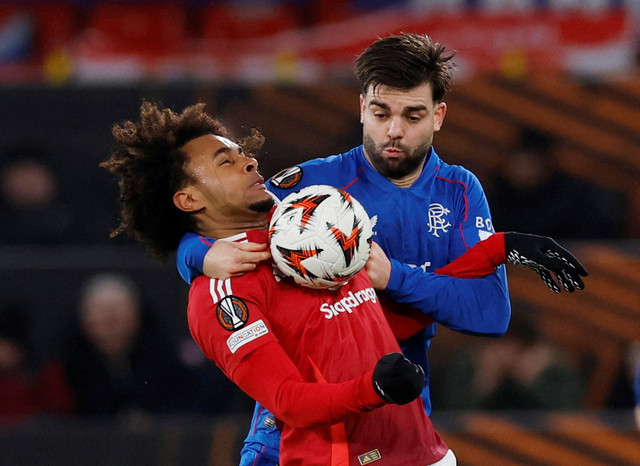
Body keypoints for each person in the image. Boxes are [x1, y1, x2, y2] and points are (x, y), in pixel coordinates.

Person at [175, 32, 587, 465]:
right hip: (301, 429)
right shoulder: (312, 188)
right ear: (361, 109)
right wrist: (196, 252)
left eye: (413, 115)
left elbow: (488, 313)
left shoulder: (460, 191)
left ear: (438, 115)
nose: (394, 130)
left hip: (402, 417)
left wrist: (394, 277)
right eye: (380, 112)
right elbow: (217, 215)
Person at [100, 100, 488, 464]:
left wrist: (496, 251)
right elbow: (287, 399)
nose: (250, 162)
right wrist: (376, 388)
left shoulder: (313, 223)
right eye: (225, 162)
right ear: (188, 200)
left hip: (428, 454)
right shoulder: (222, 292)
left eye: (242, 153)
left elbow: (362, 322)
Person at [60, 273, 196, 420]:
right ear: (84, 320)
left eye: (118, 315)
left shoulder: (164, 362)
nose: (111, 326)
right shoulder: (66, 368)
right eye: (102, 317)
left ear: (137, 316)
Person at [487, 126, 628, 240]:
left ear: (546, 164)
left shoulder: (574, 198)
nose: (525, 171)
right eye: (520, 162)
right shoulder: (495, 195)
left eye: (531, 164)